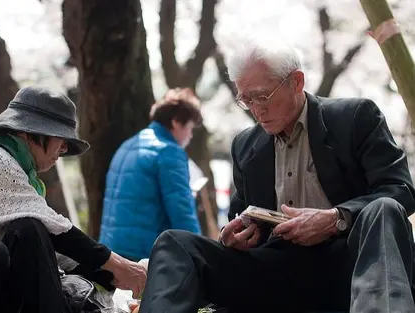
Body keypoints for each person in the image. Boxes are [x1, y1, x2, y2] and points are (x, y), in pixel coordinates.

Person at [138, 40, 415, 313]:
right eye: (246, 101)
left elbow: (400, 189)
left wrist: (336, 219)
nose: (257, 110)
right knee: (174, 243)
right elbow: (240, 218)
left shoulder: (354, 117)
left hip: (354, 267)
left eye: (262, 96)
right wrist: (232, 237)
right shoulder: (246, 145)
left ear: (296, 82)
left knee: (384, 208)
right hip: (279, 271)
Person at [0, 86, 146, 313]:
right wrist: (119, 265)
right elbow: (61, 232)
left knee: (28, 230)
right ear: (29, 132)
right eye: (61, 139)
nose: (64, 148)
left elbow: (50, 250)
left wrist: (111, 276)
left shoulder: (21, 175)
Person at [99, 88, 202, 261]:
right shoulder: (169, 152)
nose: (190, 136)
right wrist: (200, 255)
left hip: (111, 250)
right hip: (144, 254)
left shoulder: (127, 145)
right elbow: (182, 213)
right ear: (176, 122)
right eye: (190, 128)